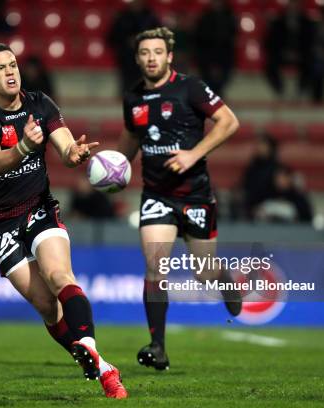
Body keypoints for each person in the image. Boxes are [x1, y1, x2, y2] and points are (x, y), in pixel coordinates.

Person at [0, 43, 127, 399]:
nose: (11, 72)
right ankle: (101, 364)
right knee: (46, 306)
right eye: (2, 68)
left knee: (59, 276)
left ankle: (93, 355)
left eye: (14, 65)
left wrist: (75, 153)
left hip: (38, 208)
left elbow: (66, 149)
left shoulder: (40, 103)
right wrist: (22, 147)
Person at [117, 27, 242, 371]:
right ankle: (158, 346)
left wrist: (192, 154)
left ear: (169, 56)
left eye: (158, 52)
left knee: (204, 273)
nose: (151, 58)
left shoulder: (190, 88)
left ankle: (223, 279)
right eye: (145, 53)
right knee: (155, 267)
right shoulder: (133, 99)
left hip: (196, 197)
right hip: (157, 195)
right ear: (137, 58)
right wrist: (110, 169)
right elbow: (128, 145)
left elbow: (229, 122)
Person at [264, 0, 315, 100]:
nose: (294, 8)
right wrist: (283, 53)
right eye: (292, 5)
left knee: (311, 64)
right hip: (282, 55)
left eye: (296, 5)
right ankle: (280, 90)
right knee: (270, 65)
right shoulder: (278, 21)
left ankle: (301, 90)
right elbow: (271, 42)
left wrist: (298, 53)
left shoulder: (307, 22)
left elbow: (310, 43)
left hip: (301, 55)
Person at [106, 0, 160, 93]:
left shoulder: (150, 17)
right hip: (126, 56)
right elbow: (112, 37)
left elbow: (158, 36)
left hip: (146, 56)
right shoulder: (122, 17)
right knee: (127, 82)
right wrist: (126, 42)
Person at [192, 0, 237, 97]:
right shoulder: (205, 17)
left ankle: (217, 97)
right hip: (207, 54)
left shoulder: (230, 17)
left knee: (223, 78)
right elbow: (200, 38)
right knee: (207, 78)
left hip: (225, 54)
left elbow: (232, 36)